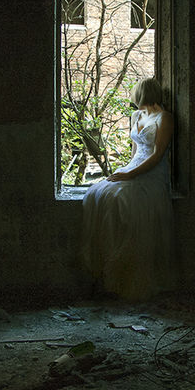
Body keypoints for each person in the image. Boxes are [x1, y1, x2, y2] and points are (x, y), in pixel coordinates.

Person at [80, 77, 176, 301]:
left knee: (121, 198)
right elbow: (135, 153)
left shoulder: (165, 118)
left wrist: (131, 175)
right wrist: (123, 172)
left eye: (135, 93)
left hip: (151, 174)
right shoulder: (136, 116)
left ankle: (129, 274)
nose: (132, 98)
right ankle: (106, 270)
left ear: (144, 94)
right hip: (134, 167)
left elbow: (157, 154)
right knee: (98, 192)